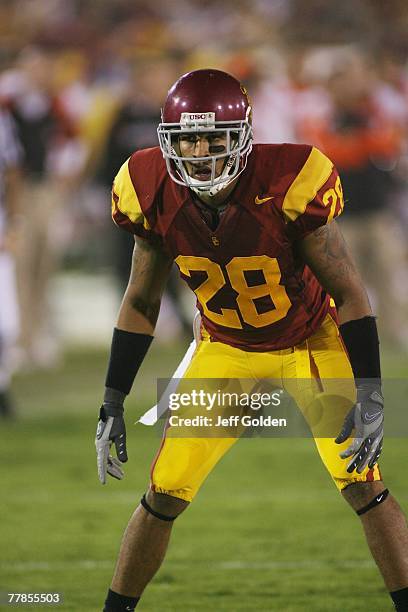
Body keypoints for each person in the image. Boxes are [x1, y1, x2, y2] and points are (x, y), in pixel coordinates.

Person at [95, 69, 408, 612]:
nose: (200, 152)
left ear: (241, 135)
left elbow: (350, 294)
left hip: (312, 339)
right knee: (165, 490)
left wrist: (372, 393)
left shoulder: (290, 179)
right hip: (225, 345)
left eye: (213, 137)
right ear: (167, 139)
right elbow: (142, 303)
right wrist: (112, 401)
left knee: (361, 481)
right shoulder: (147, 186)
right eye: (187, 138)